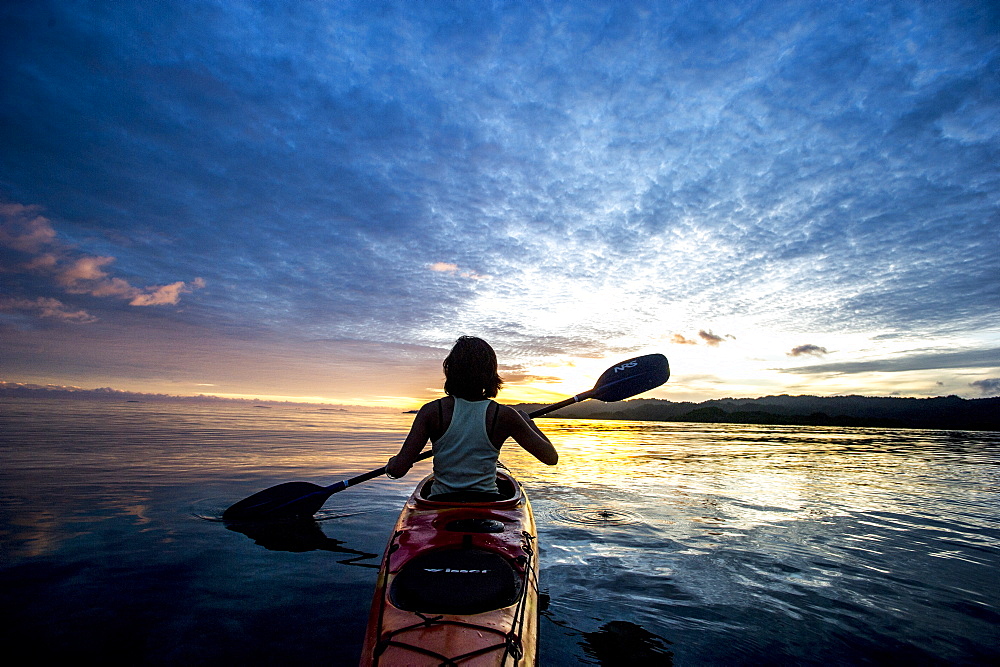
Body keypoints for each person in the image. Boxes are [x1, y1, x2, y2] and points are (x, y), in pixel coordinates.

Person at [385, 336, 558, 500]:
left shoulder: (431, 411)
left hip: (440, 502)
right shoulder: (505, 415)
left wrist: (393, 463)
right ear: (490, 373)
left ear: (450, 370)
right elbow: (550, 457)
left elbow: (398, 470)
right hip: (488, 502)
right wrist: (529, 423)